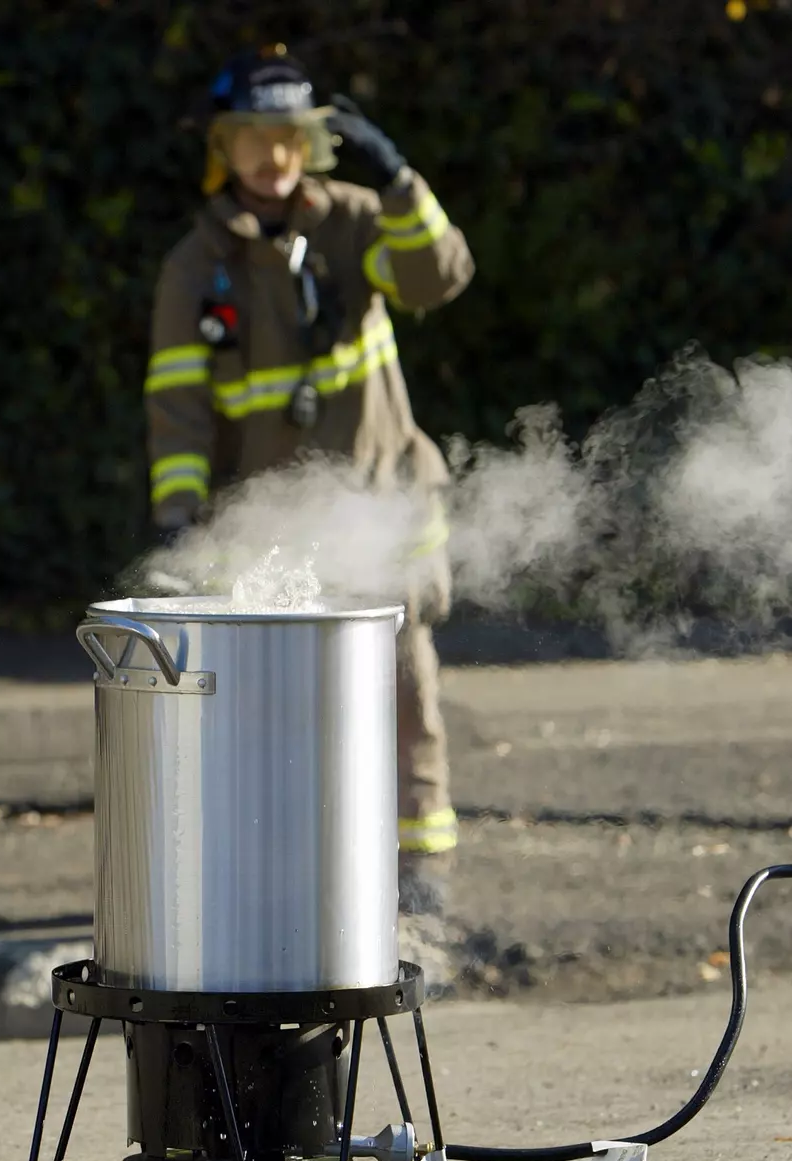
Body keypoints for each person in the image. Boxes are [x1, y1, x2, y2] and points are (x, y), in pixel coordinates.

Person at [144, 44, 475, 914]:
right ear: (224, 145)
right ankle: (296, 873)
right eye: (253, 137)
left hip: (382, 502)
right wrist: (182, 514)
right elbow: (177, 406)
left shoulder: (358, 220)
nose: (273, 156)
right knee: (276, 708)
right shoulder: (196, 266)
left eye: (289, 137)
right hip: (275, 525)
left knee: (405, 685)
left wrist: (402, 181)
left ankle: (421, 873)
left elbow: (438, 279)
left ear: (313, 145)